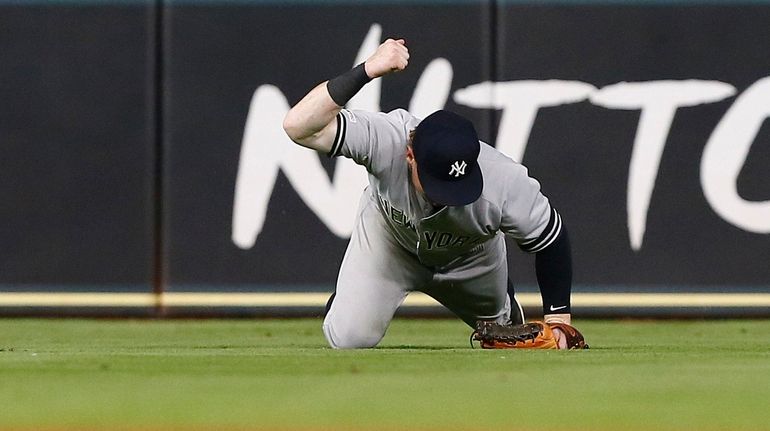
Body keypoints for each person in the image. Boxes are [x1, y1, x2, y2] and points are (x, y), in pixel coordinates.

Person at [283, 38, 577, 349]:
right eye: (437, 182)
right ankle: (348, 299)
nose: (445, 194)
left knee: (504, 336)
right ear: (409, 154)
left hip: (471, 258)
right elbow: (298, 126)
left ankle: (503, 301)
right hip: (390, 242)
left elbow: (550, 237)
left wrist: (558, 319)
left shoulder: (502, 179)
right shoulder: (387, 140)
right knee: (348, 339)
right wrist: (367, 70)